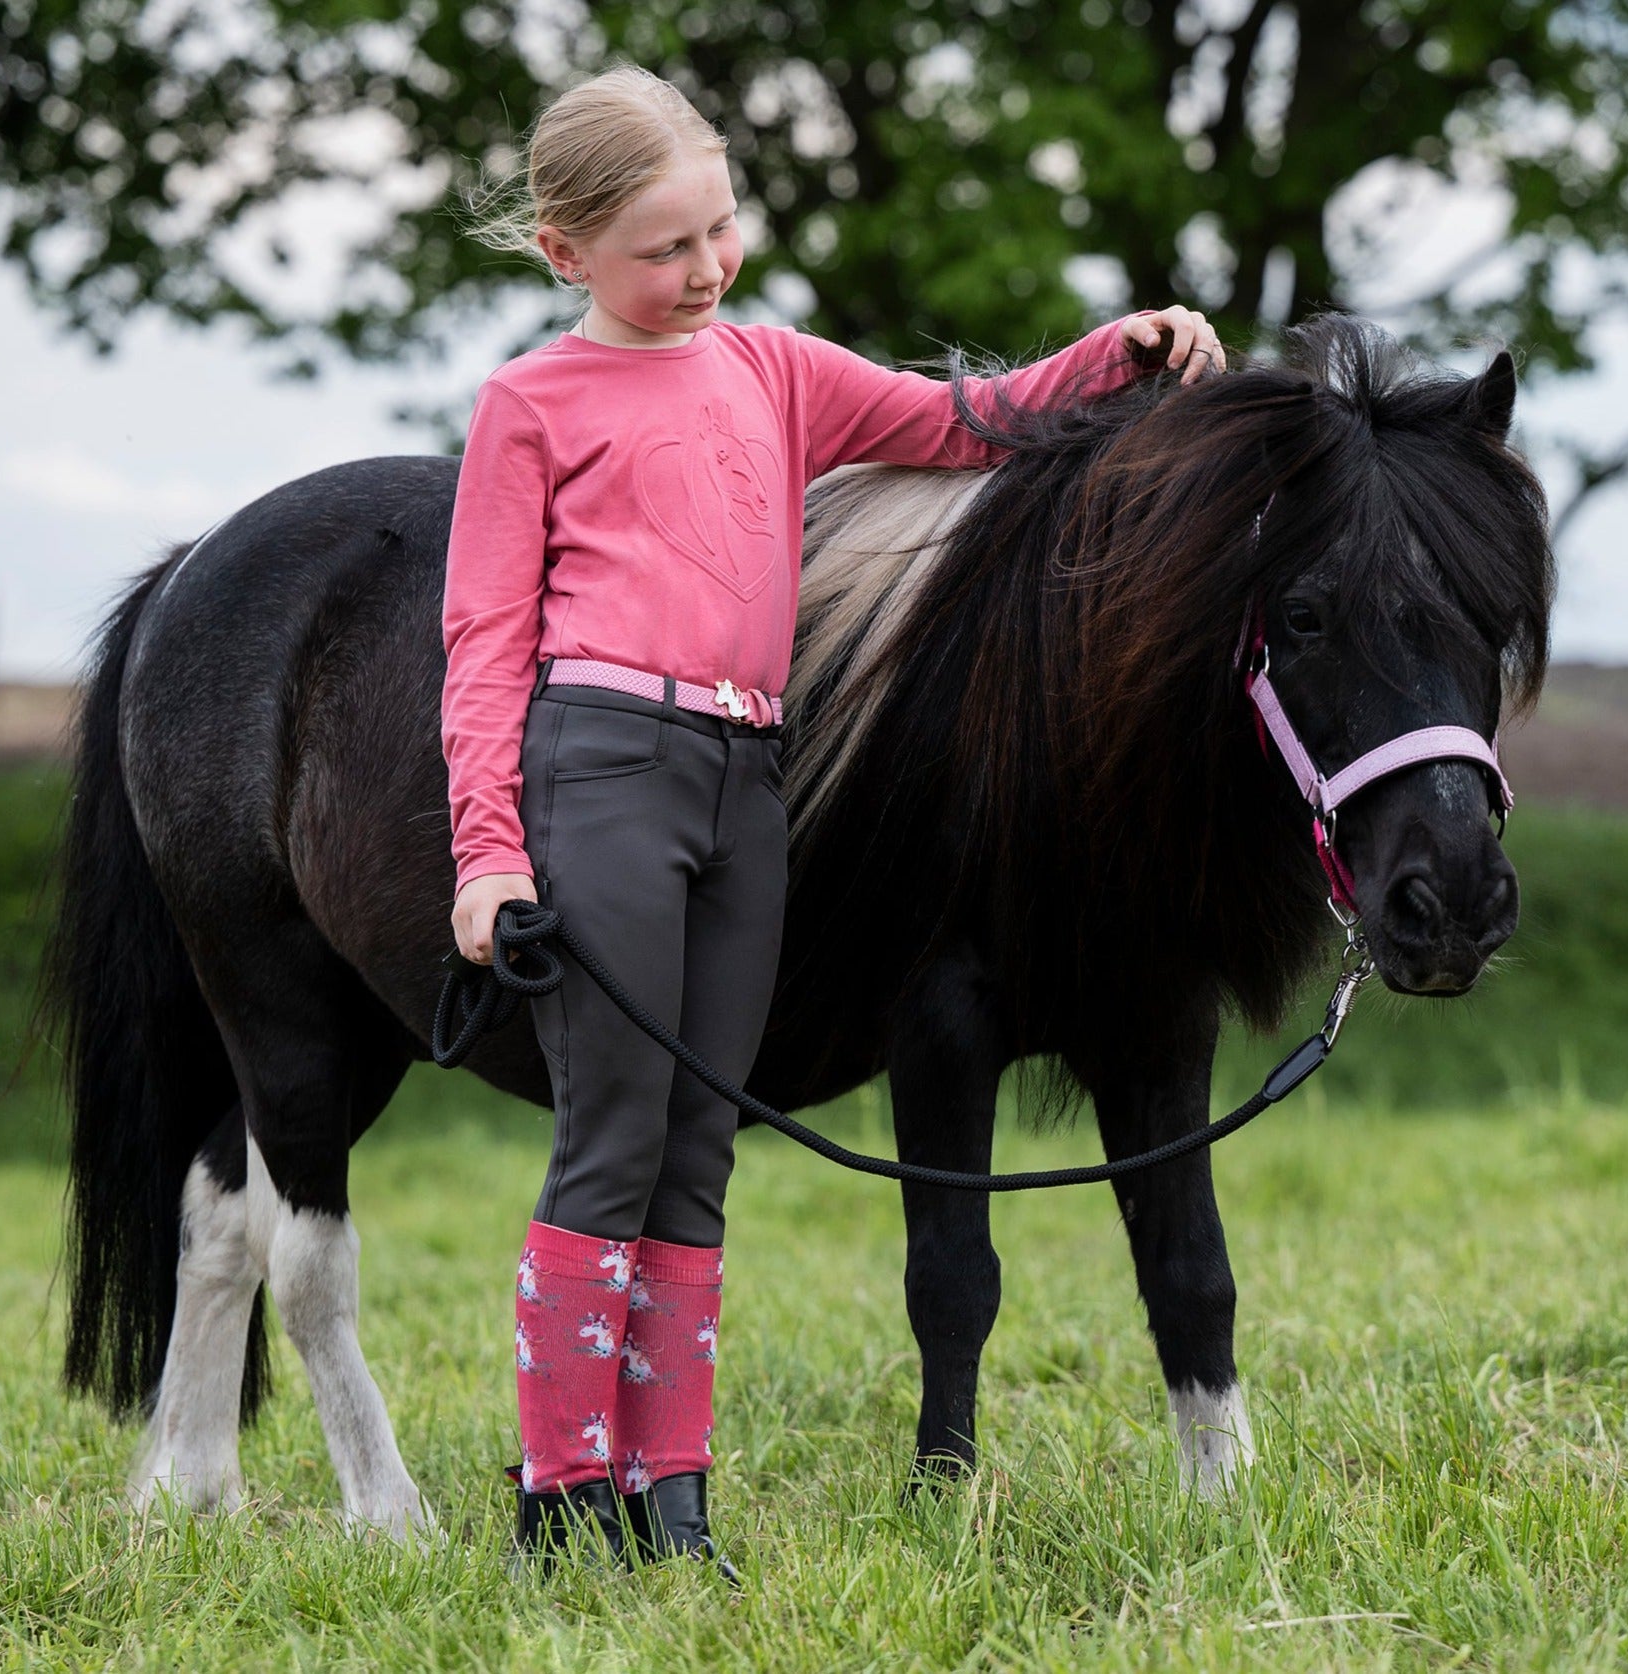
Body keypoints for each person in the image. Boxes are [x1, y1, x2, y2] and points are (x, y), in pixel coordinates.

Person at [441, 63, 1223, 1578]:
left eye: (718, 230)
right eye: (663, 248)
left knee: (697, 1151)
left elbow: (958, 421)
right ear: (564, 251)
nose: (703, 269)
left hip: (748, 785)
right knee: (608, 1139)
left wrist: (1112, 356)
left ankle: (674, 1498)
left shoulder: (773, 369)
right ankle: (559, 1496)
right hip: (601, 769)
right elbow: (481, 643)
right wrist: (485, 851)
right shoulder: (529, 405)